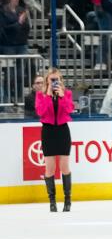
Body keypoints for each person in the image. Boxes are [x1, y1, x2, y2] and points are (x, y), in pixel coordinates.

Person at [35, 69, 74, 212]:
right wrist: (48, 96)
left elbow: (69, 110)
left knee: (64, 167)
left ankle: (67, 200)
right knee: (49, 168)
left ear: (61, 80)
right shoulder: (40, 95)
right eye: (51, 80)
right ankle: (52, 201)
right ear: (47, 81)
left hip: (63, 131)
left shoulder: (67, 94)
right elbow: (40, 112)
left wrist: (62, 97)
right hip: (48, 132)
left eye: (56, 79)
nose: (54, 82)